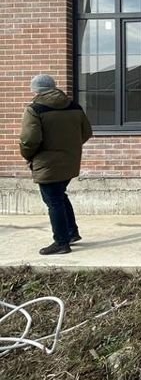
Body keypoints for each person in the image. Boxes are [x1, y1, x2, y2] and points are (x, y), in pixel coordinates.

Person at [19, 74, 93, 255]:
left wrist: (28, 155)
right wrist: (69, 148)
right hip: (70, 161)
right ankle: (71, 233)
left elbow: (29, 140)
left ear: (36, 90)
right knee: (59, 196)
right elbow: (86, 132)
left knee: (53, 201)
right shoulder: (74, 106)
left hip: (46, 163)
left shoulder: (35, 109)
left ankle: (61, 242)